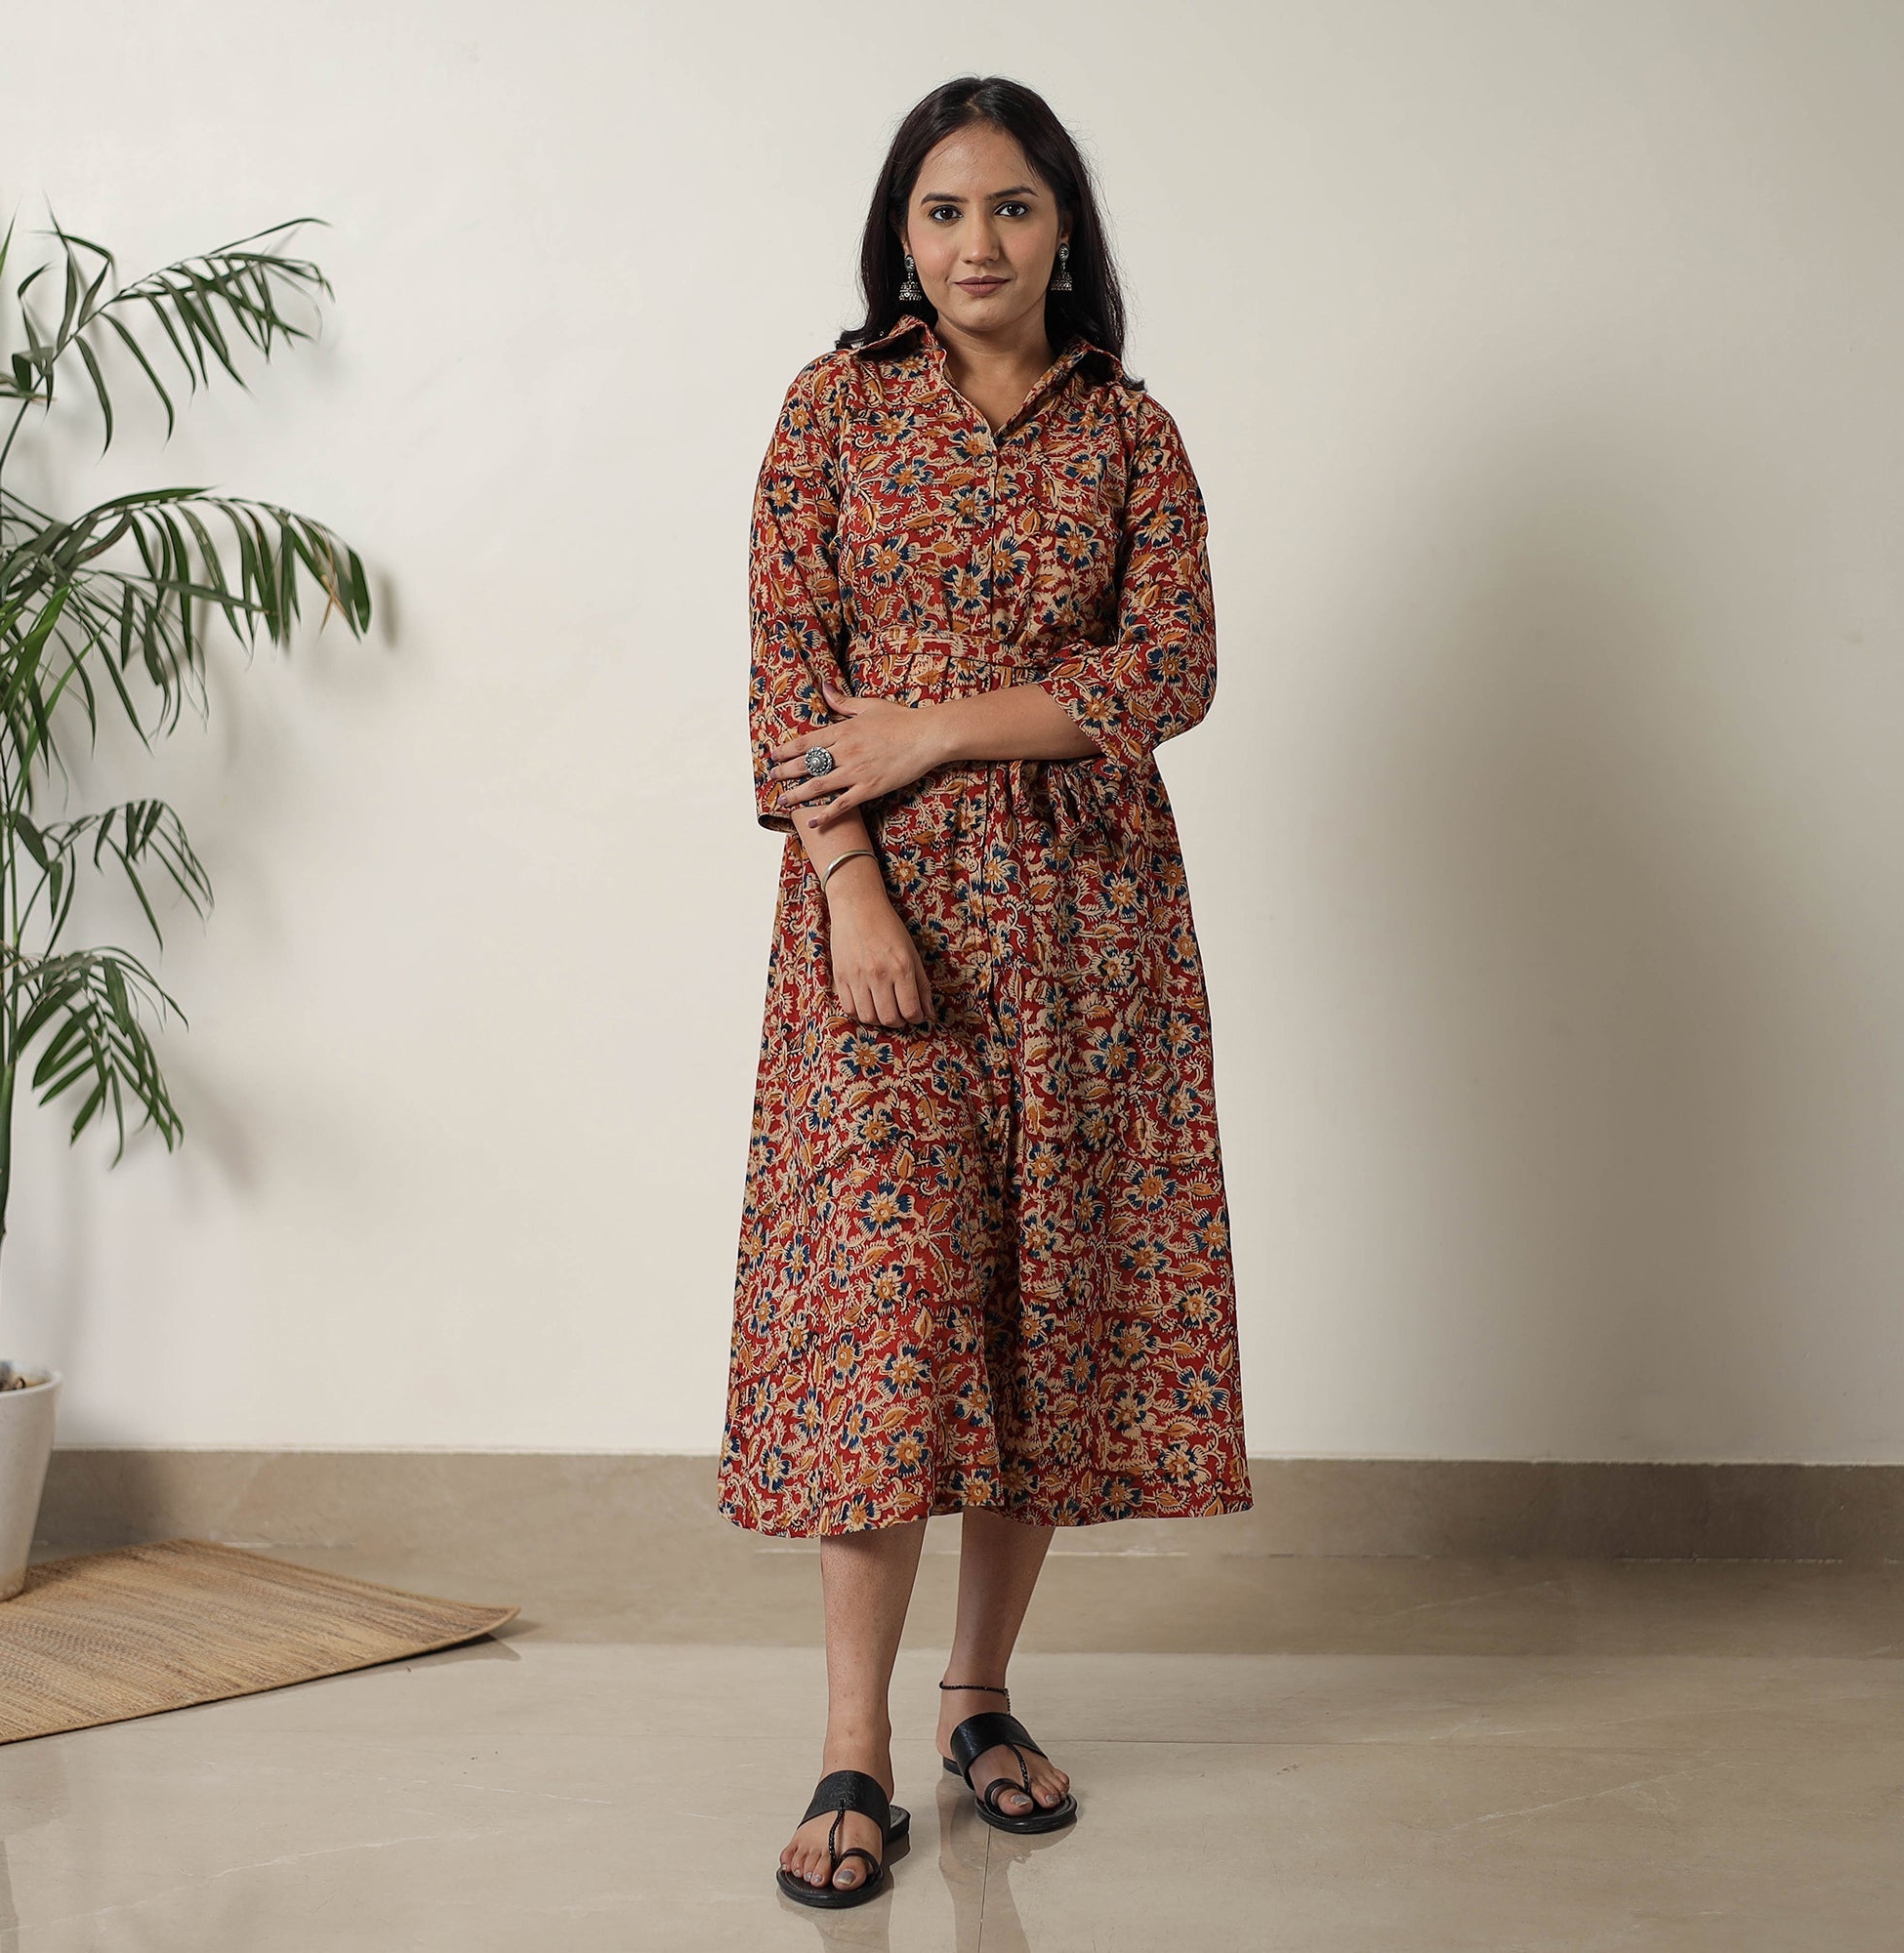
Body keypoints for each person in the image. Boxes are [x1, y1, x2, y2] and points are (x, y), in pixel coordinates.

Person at [719, 74, 1255, 1909]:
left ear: (1063, 230)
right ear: (901, 232)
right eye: (943, 211)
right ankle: (852, 1747)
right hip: (887, 927)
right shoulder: (832, 412)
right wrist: (853, 891)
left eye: (1012, 208)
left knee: (1039, 1307)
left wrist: (938, 724)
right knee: (885, 1319)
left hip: (1095, 930)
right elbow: (790, 682)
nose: (977, 244)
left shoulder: (1133, 434)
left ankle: (979, 1697)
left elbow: (1172, 669)